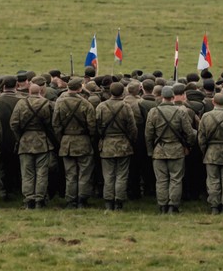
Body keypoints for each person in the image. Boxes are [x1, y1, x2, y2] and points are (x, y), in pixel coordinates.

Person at [145, 85, 196, 213]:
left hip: (159, 150)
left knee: (161, 180)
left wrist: (150, 150)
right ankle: (173, 206)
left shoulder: (153, 112)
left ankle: (162, 206)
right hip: (177, 150)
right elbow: (189, 133)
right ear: (173, 97)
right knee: (176, 179)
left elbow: (148, 134)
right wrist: (188, 146)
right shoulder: (181, 111)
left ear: (162, 97)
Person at [52, 77, 96, 209]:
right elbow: (92, 126)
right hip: (83, 141)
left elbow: (56, 125)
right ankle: (82, 200)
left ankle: (70, 200)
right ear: (80, 88)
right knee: (84, 173)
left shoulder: (59, 103)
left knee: (70, 173)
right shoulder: (86, 104)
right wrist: (90, 139)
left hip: (66, 142)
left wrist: (62, 138)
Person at [9, 81, 55, 209]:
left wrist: (20, 137)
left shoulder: (21, 103)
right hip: (42, 141)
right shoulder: (48, 104)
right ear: (40, 91)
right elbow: (52, 124)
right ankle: (40, 199)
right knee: (42, 172)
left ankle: (29, 199)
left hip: (25, 142)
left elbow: (13, 124)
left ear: (29, 91)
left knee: (27, 172)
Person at [95, 82, 137, 210]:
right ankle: (119, 201)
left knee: (108, 175)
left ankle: (108, 201)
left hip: (107, 145)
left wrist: (102, 137)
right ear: (123, 92)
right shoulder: (126, 107)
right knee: (121, 175)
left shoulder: (101, 107)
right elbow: (132, 128)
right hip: (123, 145)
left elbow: (96, 126)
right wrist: (131, 141)